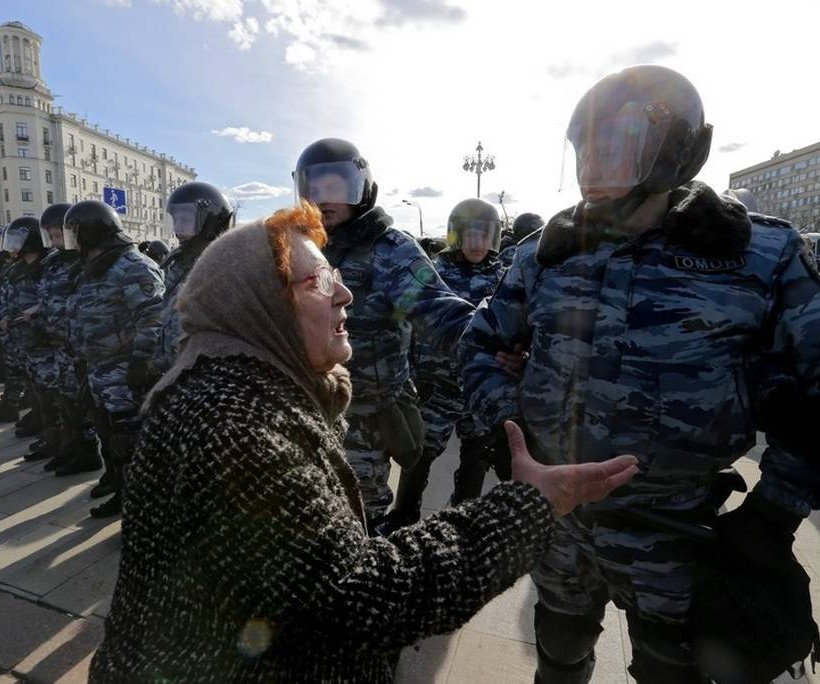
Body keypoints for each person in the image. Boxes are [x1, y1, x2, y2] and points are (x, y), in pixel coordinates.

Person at [88, 203, 638, 682]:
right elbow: (365, 600)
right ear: (261, 305)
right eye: (319, 283)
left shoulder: (232, 385)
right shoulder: (241, 432)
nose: (347, 293)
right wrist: (526, 507)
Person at [459, 64, 820, 683]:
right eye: (587, 147)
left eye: (616, 144)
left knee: (669, 670)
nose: (595, 165)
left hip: (676, 531)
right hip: (558, 515)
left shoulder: (758, 255)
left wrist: (772, 515)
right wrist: (507, 431)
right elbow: (480, 343)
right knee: (559, 646)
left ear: (678, 149)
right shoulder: (546, 252)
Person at [293, 138, 475, 530]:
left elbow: (439, 310)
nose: (323, 200)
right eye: (314, 188)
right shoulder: (298, 248)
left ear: (360, 188)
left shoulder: (389, 249)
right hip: (309, 410)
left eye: (336, 186)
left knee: (358, 515)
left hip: (366, 416)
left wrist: (496, 344)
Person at [383, 198, 506, 534]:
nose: (477, 244)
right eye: (470, 236)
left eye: (484, 236)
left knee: (475, 463)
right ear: (456, 237)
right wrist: (408, 375)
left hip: (477, 394)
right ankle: (403, 522)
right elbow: (400, 321)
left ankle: (461, 528)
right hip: (434, 390)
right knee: (417, 460)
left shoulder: (504, 278)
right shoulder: (428, 271)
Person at [63, 200, 164, 517]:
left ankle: (145, 515)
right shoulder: (93, 268)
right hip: (99, 373)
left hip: (126, 376)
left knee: (131, 446)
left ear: (92, 233)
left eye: (75, 233)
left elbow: (154, 318)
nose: (72, 241)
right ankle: (123, 496)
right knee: (110, 441)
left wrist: (140, 364)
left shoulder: (133, 267)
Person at [35, 203, 103, 475]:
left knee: (80, 405)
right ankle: (70, 449)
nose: (54, 241)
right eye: (50, 236)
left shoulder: (83, 261)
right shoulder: (53, 262)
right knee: (63, 401)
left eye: (58, 234)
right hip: (56, 344)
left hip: (76, 345)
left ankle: (87, 454)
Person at [146, 181, 234, 381]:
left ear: (209, 221)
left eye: (185, 220)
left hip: (204, 378)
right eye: (175, 220)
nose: (178, 229)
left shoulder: (224, 266)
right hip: (171, 373)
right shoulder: (177, 260)